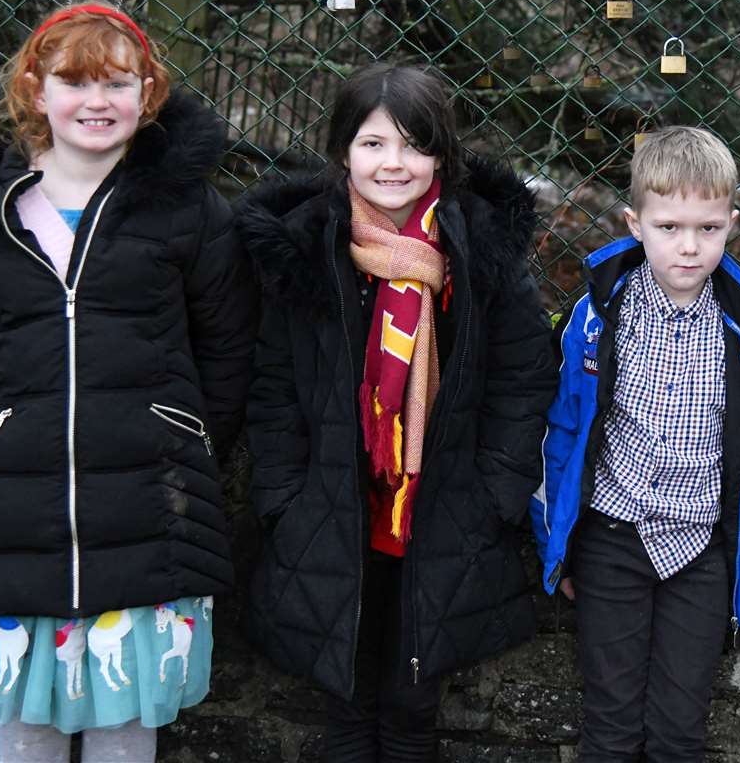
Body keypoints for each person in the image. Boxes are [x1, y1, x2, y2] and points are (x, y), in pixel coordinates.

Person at [0, 1, 258, 761]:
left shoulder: (187, 209)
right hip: (15, 506)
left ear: (149, 93)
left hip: (146, 502)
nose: (97, 102)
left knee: (125, 721)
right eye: (74, 81)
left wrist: (181, 438)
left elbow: (227, 347)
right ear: (35, 90)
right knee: (25, 722)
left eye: (118, 84)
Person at [236, 63, 557, 763]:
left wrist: (494, 492)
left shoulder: (479, 248)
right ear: (343, 150)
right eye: (374, 144)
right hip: (331, 512)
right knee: (345, 708)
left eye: (414, 145)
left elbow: (524, 375)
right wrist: (284, 497)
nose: (394, 163)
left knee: (413, 713)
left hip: (442, 512)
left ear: (443, 153)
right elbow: (273, 385)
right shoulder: (307, 248)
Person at [530, 126, 740, 762]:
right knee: (612, 725)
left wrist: (739, 559)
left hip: (698, 554)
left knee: (680, 730)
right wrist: (557, 544)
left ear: (731, 222)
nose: (689, 246)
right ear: (634, 221)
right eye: (669, 227)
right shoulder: (598, 318)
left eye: (708, 228)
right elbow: (563, 433)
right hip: (612, 541)